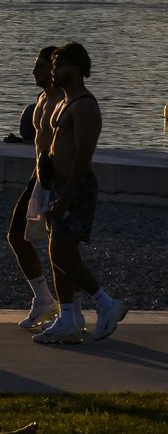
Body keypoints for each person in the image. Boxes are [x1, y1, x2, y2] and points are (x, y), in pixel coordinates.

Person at [34, 42, 127, 344]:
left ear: (74, 69)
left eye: (58, 65)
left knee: (60, 251)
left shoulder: (85, 104)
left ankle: (105, 303)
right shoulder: (65, 101)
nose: (53, 70)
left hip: (76, 186)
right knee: (59, 252)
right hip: (59, 184)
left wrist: (67, 196)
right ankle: (68, 318)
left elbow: (83, 153)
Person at [9, 46, 62, 329]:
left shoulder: (63, 101)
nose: (34, 72)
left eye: (40, 67)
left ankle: (86, 304)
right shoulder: (41, 99)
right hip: (38, 177)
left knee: (62, 246)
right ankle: (43, 298)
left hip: (56, 178)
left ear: (53, 70)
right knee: (18, 236)